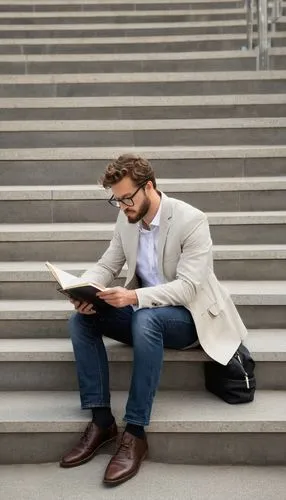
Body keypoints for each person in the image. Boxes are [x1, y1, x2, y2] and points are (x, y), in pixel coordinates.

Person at [59, 153, 247, 486]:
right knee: (82, 321)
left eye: (128, 198)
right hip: (144, 311)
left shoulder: (192, 221)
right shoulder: (126, 219)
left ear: (149, 187)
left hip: (189, 318)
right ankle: (102, 420)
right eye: (116, 201)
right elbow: (107, 265)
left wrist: (133, 297)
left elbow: (189, 288)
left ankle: (135, 432)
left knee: (147, 320)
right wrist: (81, 287)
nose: (123, 206)